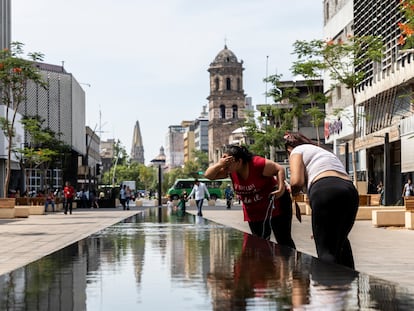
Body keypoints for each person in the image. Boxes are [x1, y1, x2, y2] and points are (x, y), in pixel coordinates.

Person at [284, 131, 358, 269]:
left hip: (324, 189)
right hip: (349, 191)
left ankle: (326, 287)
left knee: (326, 252)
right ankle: (351, 286)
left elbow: (296, 182)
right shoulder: (322, 151)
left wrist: (291, 191)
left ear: (289, 149)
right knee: (341, 244)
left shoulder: (296, 151)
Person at [204, 144, 296, 249]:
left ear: (239, 161)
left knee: (283, 240)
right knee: (259, 242)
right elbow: (208, 175)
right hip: (254, 210)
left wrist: (281, 189)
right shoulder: (230, 171)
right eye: (224, 162)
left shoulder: (256, 164)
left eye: (228, 162)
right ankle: (267, 265)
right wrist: (219, 164)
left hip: (276, 204)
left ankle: (290, 264)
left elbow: (279, 169)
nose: (225, 166)